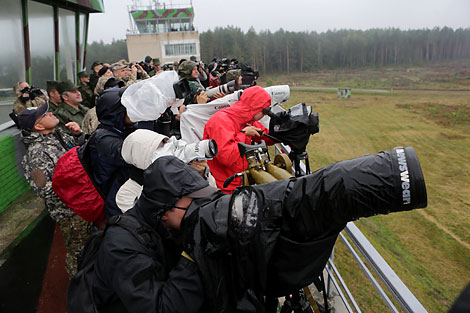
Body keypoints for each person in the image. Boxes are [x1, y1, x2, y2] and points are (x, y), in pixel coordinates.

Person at [92, 156, 215, 312]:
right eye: (191, 207)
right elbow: (160, 308)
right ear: (163, 211)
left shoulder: (165, 224)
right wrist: (193, 252)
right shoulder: (121, 247)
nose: (198, 212)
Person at [18, 103, 92, 277]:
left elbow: (82, 152)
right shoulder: (37, 153)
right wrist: (77, 188)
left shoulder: (58, 135)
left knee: (90, 248)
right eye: (45, 114)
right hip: (70, 212)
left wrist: (79, 135)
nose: (51, 113)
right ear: (38, 126)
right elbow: (44, 189)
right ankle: (80, 291)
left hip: (84, 203)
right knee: (78, 254)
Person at [203, 86, 274, 193]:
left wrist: (283, 131)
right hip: (223, 186)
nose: (264, 115)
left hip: (238, 181)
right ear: (255, 108)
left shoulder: (245, 119)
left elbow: (266, 136)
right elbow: (226, 157)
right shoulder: (221, 121)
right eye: (263, 111)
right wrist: (244, 134)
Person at [88, 87, 137, 218]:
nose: (136, 109)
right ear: (116, 112)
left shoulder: (123, 129)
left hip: (124, 192)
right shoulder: (104, 139)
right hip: (114, 201)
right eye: (130, 107)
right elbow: (137, 155)